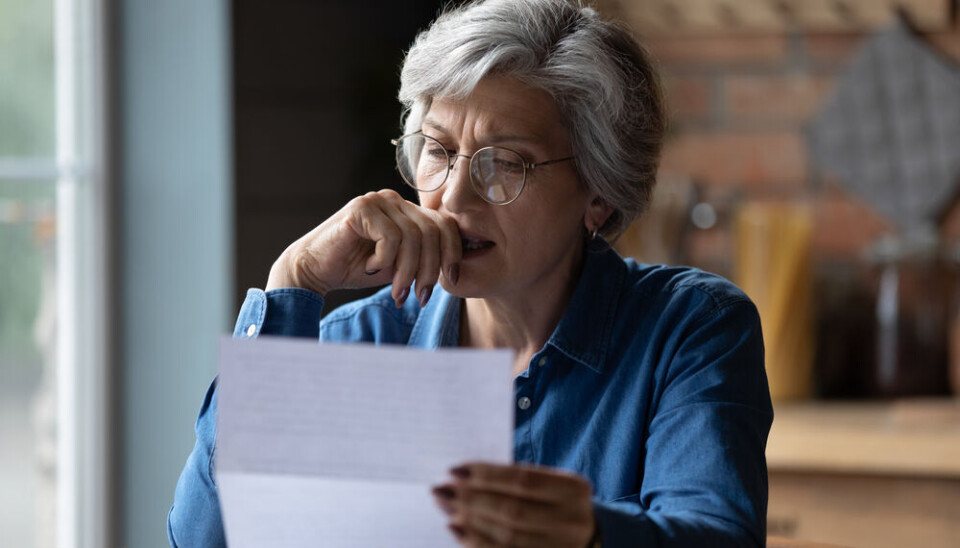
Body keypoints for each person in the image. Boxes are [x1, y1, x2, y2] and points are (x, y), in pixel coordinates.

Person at [168, 0, 773, 546]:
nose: (453, 198)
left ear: (599, 193)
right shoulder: (362, 343)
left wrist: (590, 535)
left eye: (503, 163)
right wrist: (293, 281)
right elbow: (205, 540)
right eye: (437, 150)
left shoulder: (691, 329)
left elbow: (717, 536)